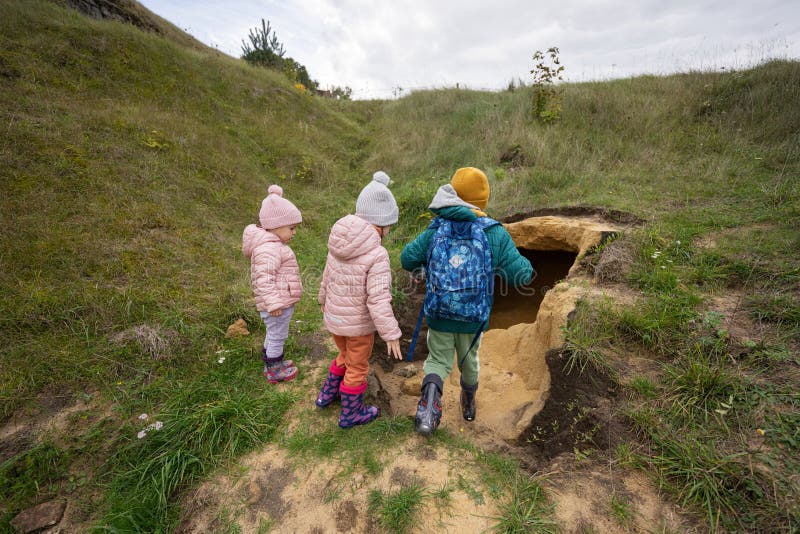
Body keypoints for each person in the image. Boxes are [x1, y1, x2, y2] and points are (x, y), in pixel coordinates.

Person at [400, 167, 534, 435]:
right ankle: (469, 402)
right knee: (469, 361)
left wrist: (427, 263)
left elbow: (407, 258)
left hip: (439, 313)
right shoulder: (494, 233)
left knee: (437, 360)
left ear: (453, 194)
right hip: (473, 318)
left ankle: (428, 409)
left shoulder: (437, 227)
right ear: (483, 201)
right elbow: (521, 275)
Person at [315, 171, 403, 428]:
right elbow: (377, 299)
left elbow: (326, 276)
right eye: (389, 226)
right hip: (358, 327)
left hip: (334, 319)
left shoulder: (338, 241)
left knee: (343, 354)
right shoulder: (377, 254)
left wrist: (323, 300)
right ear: (383, 224)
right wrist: (391, 333)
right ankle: (351, 413)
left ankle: (327, 395)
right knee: (357, 367)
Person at [242, 184, 303, 384]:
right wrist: (274, 303)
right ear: (275, 226)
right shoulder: (268, 249)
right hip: (276, 305)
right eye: (291, 228)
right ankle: (274, 371)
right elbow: (263, 279)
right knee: (277, 335)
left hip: (279, 301)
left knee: (274, 333)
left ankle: (272, 361)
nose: (294, 232)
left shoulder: (274, 245)